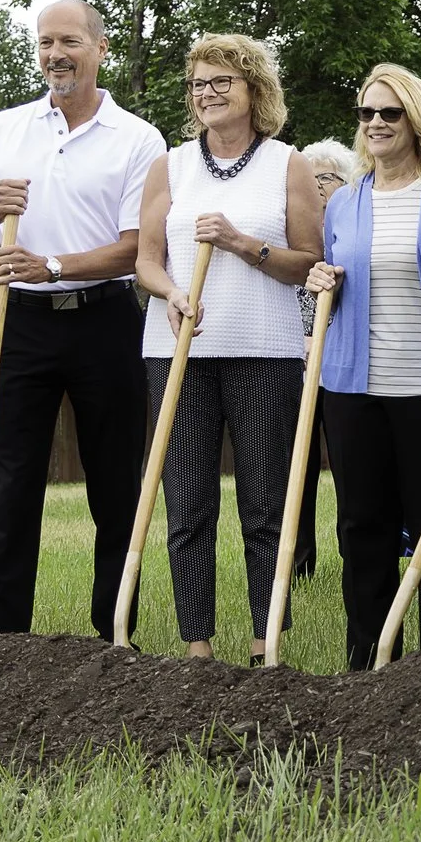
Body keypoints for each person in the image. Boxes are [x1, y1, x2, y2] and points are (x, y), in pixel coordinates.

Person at [0, 0, 165, 637]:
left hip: (106, 321)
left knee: (115, 481)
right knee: (6, 482)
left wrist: (50, 264)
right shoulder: (3, 130)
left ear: (100, 49)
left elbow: (134, 248)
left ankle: (115, 632)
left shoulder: (139, 138)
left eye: (68, 41)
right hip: (19, 324)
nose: (54, 55)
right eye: (45, 43)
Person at [135, 34, 319, 661]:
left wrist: (243, 244)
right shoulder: (172, 165)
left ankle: (265, 643)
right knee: (187, 503)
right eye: (199, 84)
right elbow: (147, 261)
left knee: (266, 504)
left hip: (264, 351)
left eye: (222, 82)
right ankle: (198, 646)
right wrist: (172, 293)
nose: (208, 94)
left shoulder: (287, 165)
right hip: (178, 349)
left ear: (253, 91)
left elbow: (309, 263)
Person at [305, 64, 421, 669]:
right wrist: (322, 278)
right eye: (366, 113)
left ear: (415, 121)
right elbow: (334, 273)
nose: (374, 123)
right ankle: (368, 661)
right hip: (352, 388)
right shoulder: (344, 202)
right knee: (361, 529)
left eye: (389, 113)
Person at [289, 135, 360, 578]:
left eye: (326, 178)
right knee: (295, 467)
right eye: (308, 179)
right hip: (292, 364)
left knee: (351, 467)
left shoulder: (351, 233)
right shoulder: (290, 235)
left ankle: (353, 552)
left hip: (341, 365)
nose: (316, 187)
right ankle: (297, 563)